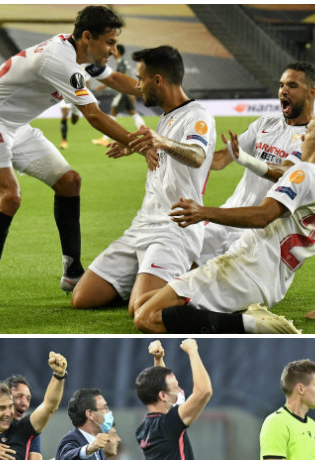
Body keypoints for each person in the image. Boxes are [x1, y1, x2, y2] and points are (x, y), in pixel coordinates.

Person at [0, 5, 146, 310]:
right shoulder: (60, 62)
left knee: (70, 182)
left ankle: (72, 272)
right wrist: (143, 145)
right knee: (9, 198)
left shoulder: (82, 55)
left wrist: (166, 92)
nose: (113, 50)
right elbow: (94, 116)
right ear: (87, 36)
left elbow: (118, 82)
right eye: (109, 43)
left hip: (15, 126)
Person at [133, 104, 315, 334]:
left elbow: (262, 216)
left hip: (240, 270)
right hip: (270, 289)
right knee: (143, 303)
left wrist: (203, 212)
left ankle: (253, 325)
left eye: (310, 130)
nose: (303, 135)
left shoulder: (304, 173)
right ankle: (243, 316)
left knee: (146, 318)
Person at [70, 45, 215, 314]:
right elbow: (167, 160)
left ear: (157, 80)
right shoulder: (165, 118)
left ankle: (205, 289)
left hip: (174, 230)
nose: (138, 86)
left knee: (141, 308)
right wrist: (136, 147)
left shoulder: (197, 116)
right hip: (142, 225)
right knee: (82, 298)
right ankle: (150, 276)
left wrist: (163, 142)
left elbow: (196, 156)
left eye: (141, 79)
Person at [197, 63, 315, 265]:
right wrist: (170, 150)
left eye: (292, 85)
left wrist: (246, 159)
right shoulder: (265, 123)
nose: (283, 91)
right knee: (181, 265)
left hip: (260, 229)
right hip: (229, 215)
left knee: (215, 287)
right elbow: (219, 160)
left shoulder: (313, 138)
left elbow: (287, 172)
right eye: (281, 85)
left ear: (311, 92)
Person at [91, 45, 147, 148]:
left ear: (118, 52)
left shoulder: (121, 64)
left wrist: (104, 85)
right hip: (126, 93)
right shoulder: (122, 63)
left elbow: (120, 79)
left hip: (123, 93)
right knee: (133, 113)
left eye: (114, 50)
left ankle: (104, 139)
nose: (112, 51)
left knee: (113, 112)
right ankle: (146, 133)